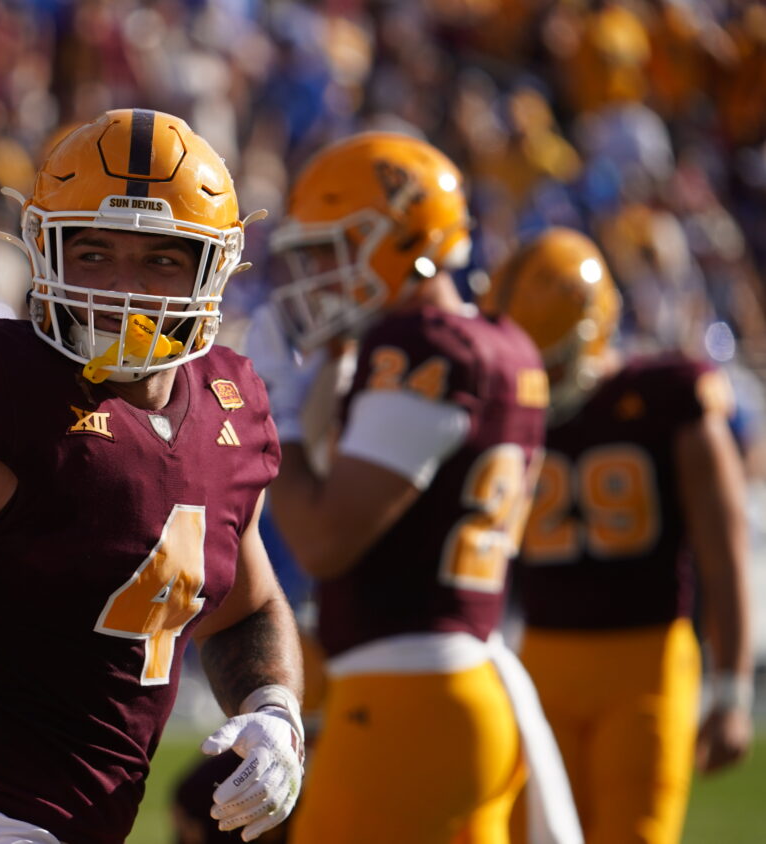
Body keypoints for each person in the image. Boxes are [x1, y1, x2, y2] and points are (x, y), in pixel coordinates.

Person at [0, 108, 305, 844]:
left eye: (161, 258)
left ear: (214, 268)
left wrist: (273, 710)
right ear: (44, 250)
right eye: (93, 253)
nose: (122, 287)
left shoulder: (230, 405)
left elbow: (248, 609)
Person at [254, 131, 578, 842]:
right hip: (463, 688)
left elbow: (325, 540)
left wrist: (277, 414)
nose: (317, 274)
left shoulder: (423, 347)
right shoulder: (503, 342)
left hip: (407, 703)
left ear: (405, 241)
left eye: (332, 250)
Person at [482, 227, 754, 844]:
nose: (541, 376)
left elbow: (724, 549)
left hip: (648, 660)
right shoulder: (502, 406)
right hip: (541, 657)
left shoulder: (666, 396)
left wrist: (733, 688)